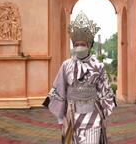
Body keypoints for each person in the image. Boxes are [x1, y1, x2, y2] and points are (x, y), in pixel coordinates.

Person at [43, 11, 116, 144]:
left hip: (93, 118)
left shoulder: (98, 66)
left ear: (89, 45)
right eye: (76, 44)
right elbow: (59, 89)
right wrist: (61, 117)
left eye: (82, 44)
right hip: (71, 117)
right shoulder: (66, 65)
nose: (79, 47)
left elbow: (105, 91)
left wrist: (104, 111)